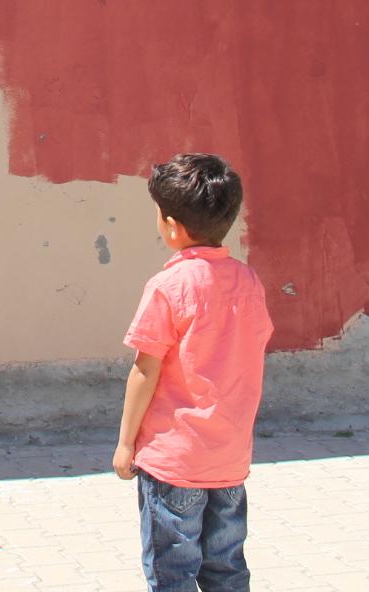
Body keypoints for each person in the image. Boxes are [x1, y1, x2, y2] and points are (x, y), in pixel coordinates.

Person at [112, 153, 271, 592]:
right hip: (230, 459)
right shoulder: (249, 281)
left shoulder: (168, 287)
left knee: (172, 575)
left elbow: (145, 370)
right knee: (227, 570)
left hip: (173, 462)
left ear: (171, 226)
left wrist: (126, 444)